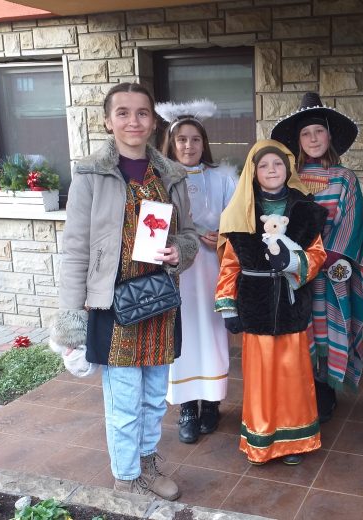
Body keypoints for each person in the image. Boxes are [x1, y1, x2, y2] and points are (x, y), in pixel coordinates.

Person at [50, 82, 199, 500]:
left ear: (153, 122)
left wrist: (180, 251)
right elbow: (76, 248)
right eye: (123, 112)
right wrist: (71, 317)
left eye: (142, 113)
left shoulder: (171, 175)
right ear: (107, 121)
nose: (133, 121)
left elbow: (189, 234)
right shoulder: (90, 175)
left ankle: (147, 465)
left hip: (161, 301)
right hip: (114, 305)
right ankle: (126, 478)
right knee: (124, 400)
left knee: (154, 398)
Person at [215, 139, 327, 465]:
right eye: (263, 165)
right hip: (256, 305)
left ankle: (294, 443)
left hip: (291, 304)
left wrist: (293, 263)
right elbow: (230, 264)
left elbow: (317, 254)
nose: (272, 169)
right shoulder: (240, 212)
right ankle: (262, 443)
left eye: (278, 163)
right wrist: (228, 305)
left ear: (288, 168)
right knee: (260, 379)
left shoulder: (305, 209)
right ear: (253, 173)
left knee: (293, 377)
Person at [270, 92, 363, 423]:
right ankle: (301, 389)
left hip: (329, 270)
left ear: (329, 136)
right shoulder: (289, 175)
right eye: (306, 133)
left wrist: (323, 258)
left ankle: (325, 390)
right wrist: (293, 258)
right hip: (293, 269)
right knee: (299, 329)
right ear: (298, 140)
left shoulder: (345, 178)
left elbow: (352, 223)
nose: (313, 139)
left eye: (319, 131)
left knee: (326, 326)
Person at [156, 99, 238, 444]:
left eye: (195, 139)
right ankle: (188, 407)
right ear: (171, 143)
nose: (188, 146)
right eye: (181, 140)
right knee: (183, 334)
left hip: (214, 269)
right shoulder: (159, 178)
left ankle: (211, 403)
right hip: (178, 271)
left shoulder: (223, 178)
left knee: (213, 332)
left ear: (204, 143)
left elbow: (240, 220)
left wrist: (223, 236)